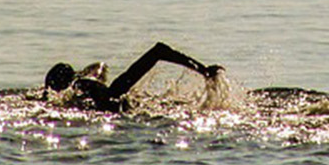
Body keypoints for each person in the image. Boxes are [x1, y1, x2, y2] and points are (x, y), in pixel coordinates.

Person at [39, 42, 222, 113]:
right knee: (158, 51)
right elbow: (100, 67)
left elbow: (99, 67)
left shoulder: (75, 90)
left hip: (109, 102)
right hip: (113, 97)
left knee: (158, 52)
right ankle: (204, 71)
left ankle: (205, 71)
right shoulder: (82, 83)